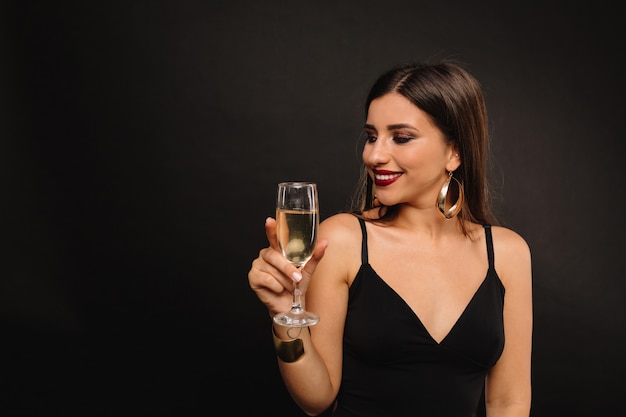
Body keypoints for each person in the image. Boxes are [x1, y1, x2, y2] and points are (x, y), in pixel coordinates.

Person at [248, 60, 533, 417]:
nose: (374, 155)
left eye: (401, 137)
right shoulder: (342, 240)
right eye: (371, 136)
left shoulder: (506, 253)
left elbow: (510, 402)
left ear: (454, 152)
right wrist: (281, 318)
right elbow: (315, 398)